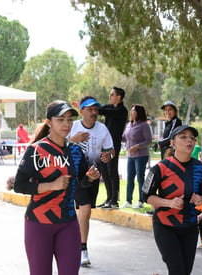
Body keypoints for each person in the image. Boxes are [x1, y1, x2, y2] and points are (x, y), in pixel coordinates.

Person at [13, 100, 100, 275]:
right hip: (39, 223)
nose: (66, 124)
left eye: (69, 119)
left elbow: (80, 184)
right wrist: (51, 186)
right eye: (61, 119)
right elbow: (19, 185)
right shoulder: (36, 151)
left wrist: (90, 179)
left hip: (68, 223)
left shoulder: (75, 151)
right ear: (49, 122)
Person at [142, 125, 202, 275]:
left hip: (190, 226)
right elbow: (146, 197)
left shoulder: (201, 168)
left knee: (185, 271)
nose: (189, 140)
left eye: (192, 138)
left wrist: (199, 199)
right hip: (165, 226)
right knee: (177, 270)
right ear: (173, 143)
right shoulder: (160, 168)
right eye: (183, 137)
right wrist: (169, 203)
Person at [68, 96, 114, 266]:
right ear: (82, 111)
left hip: (92, 174)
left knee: (82, 212)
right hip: (73, 174)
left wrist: (108, 156)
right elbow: (58, 145)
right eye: (90, 109)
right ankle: (82, 251)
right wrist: (74, 140)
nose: (94, 112)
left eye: (96, 109)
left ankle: (75, 244)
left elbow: (111, 151)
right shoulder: (72, 127)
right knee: (84, 210)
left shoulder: (102, 130)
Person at [97, 86, 128, 209]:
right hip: (103, 144)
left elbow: (108, 112)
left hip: (113, 146)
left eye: (112, 94)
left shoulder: (122, 110)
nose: (109, 97)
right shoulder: (108, 107)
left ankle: (115, 200)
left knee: (112, 171)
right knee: (104, 171)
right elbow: (100, 110)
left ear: (118, 97)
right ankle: (109, 198)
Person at [120, 104, 152, 209]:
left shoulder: (144, 125)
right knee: (129, 178)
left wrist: (137, 146)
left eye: (133, 111)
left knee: (140, 178)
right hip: (130, 156)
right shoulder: (129, 125)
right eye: (131, 110)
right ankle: (128, 200)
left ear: (138, 113)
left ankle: (141, 200)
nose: (131, 112)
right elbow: (124, 138)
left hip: (141, 156)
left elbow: (148, 141)